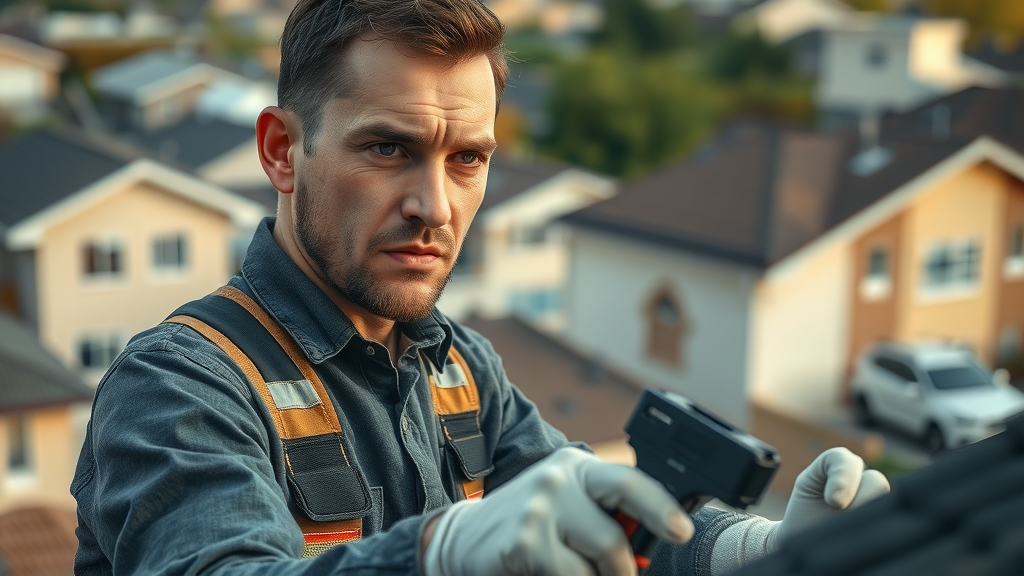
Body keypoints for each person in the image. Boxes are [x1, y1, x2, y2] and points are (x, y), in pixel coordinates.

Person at [71, 1, 890, 575]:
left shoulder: (459, 370)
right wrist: (443, 553)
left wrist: (753, 549)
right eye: (388, 150)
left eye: (467, 159)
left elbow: (597, 512)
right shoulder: (179, 386)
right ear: (283, 152)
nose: (436, 207)